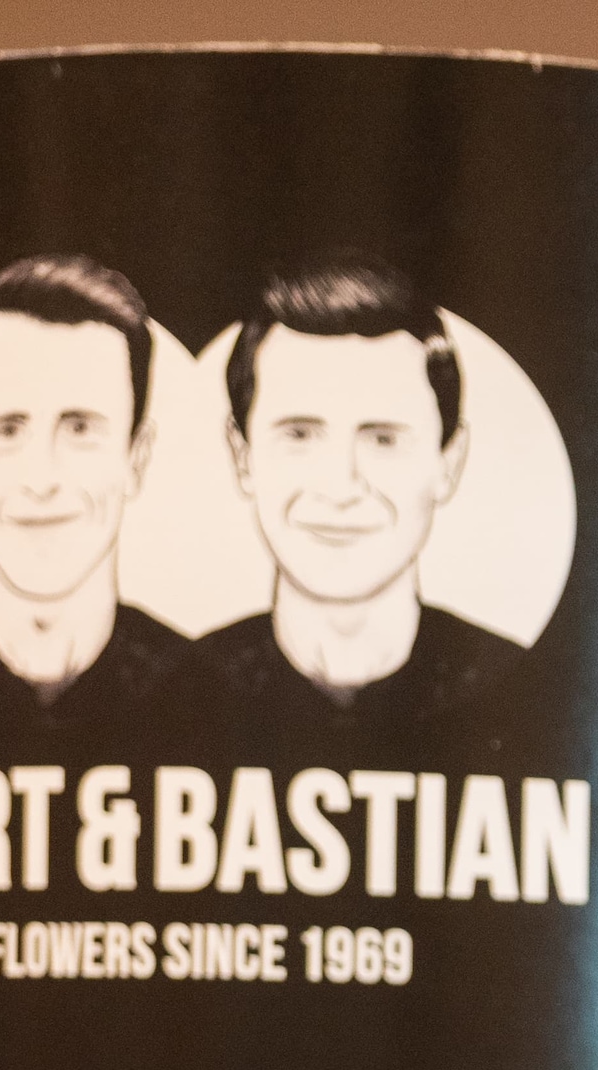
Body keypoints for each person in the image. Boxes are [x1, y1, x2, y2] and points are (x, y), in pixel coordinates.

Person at [191, 253, 525, 736]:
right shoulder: (180, 688)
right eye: (300, 435)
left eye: (383, 439)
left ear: (449, 463)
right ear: (242, 456)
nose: (341, 486)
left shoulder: (524, 690)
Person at [0, 254, 190, 730]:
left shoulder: (197, 690)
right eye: (9, 430)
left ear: (136, 459)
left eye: (80, 428)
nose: (41, 480)